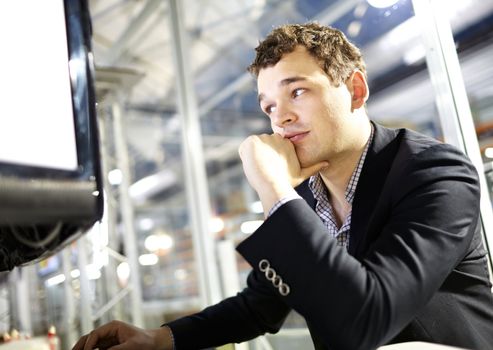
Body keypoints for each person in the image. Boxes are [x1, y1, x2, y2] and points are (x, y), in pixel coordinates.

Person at [73, 23, 493, 350]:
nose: (281, 118)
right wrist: (158, 338)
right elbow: (261, 303)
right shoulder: (308, 198)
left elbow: (367, 320)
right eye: (269, 106)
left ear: (355, 90)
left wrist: (274, 190)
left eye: (297, 92)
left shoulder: (435, 174)